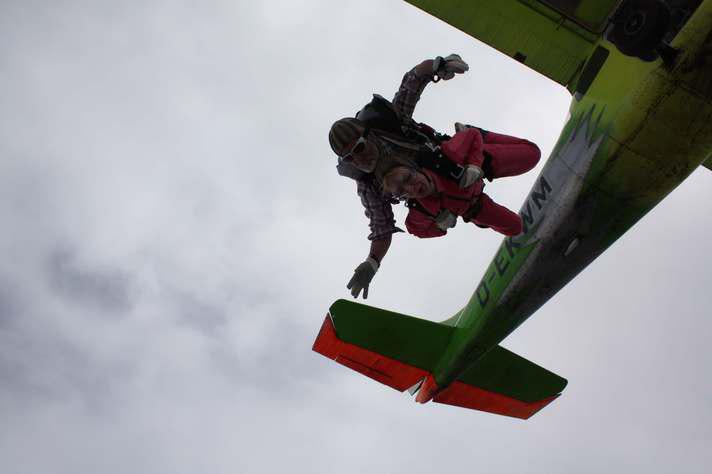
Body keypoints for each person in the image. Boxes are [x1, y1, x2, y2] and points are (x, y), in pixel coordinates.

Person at [328, 55, 538, 299]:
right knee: (513, 226)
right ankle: (471, 208)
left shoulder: (392, 125)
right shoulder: (368, 186)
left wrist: (439, 65)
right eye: (349, 158)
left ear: (369, 136)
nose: (359, 159)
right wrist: (372, 263)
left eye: (359, 148)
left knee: (530, 155)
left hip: (459, 160)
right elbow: (381, 227)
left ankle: (478, 135)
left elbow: (411, 83)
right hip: (448, 198)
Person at [381, 126, 540, 238]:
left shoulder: (446, 157)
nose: (411, 188)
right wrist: (439, 226)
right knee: (515, 227)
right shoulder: (420, 210)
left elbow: (471, 134)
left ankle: (485, 137)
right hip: (473, 206)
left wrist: (474, 163)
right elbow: (417, 230)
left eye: (408, 178)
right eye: (402, 192)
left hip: (478, 161)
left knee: (532, 154)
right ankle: (476, 213)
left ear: (415, 169)